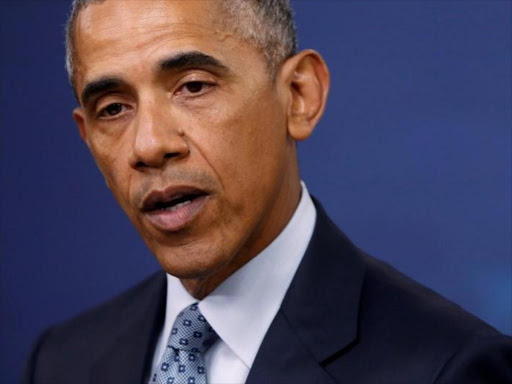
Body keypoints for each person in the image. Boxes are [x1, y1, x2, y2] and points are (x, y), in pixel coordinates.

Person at [21, 0, 512, 383]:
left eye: (193, 86)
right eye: (112, 109)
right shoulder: (61, 361)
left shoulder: (450, 368)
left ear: (299, 96)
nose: (148, 145)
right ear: (87, 139)